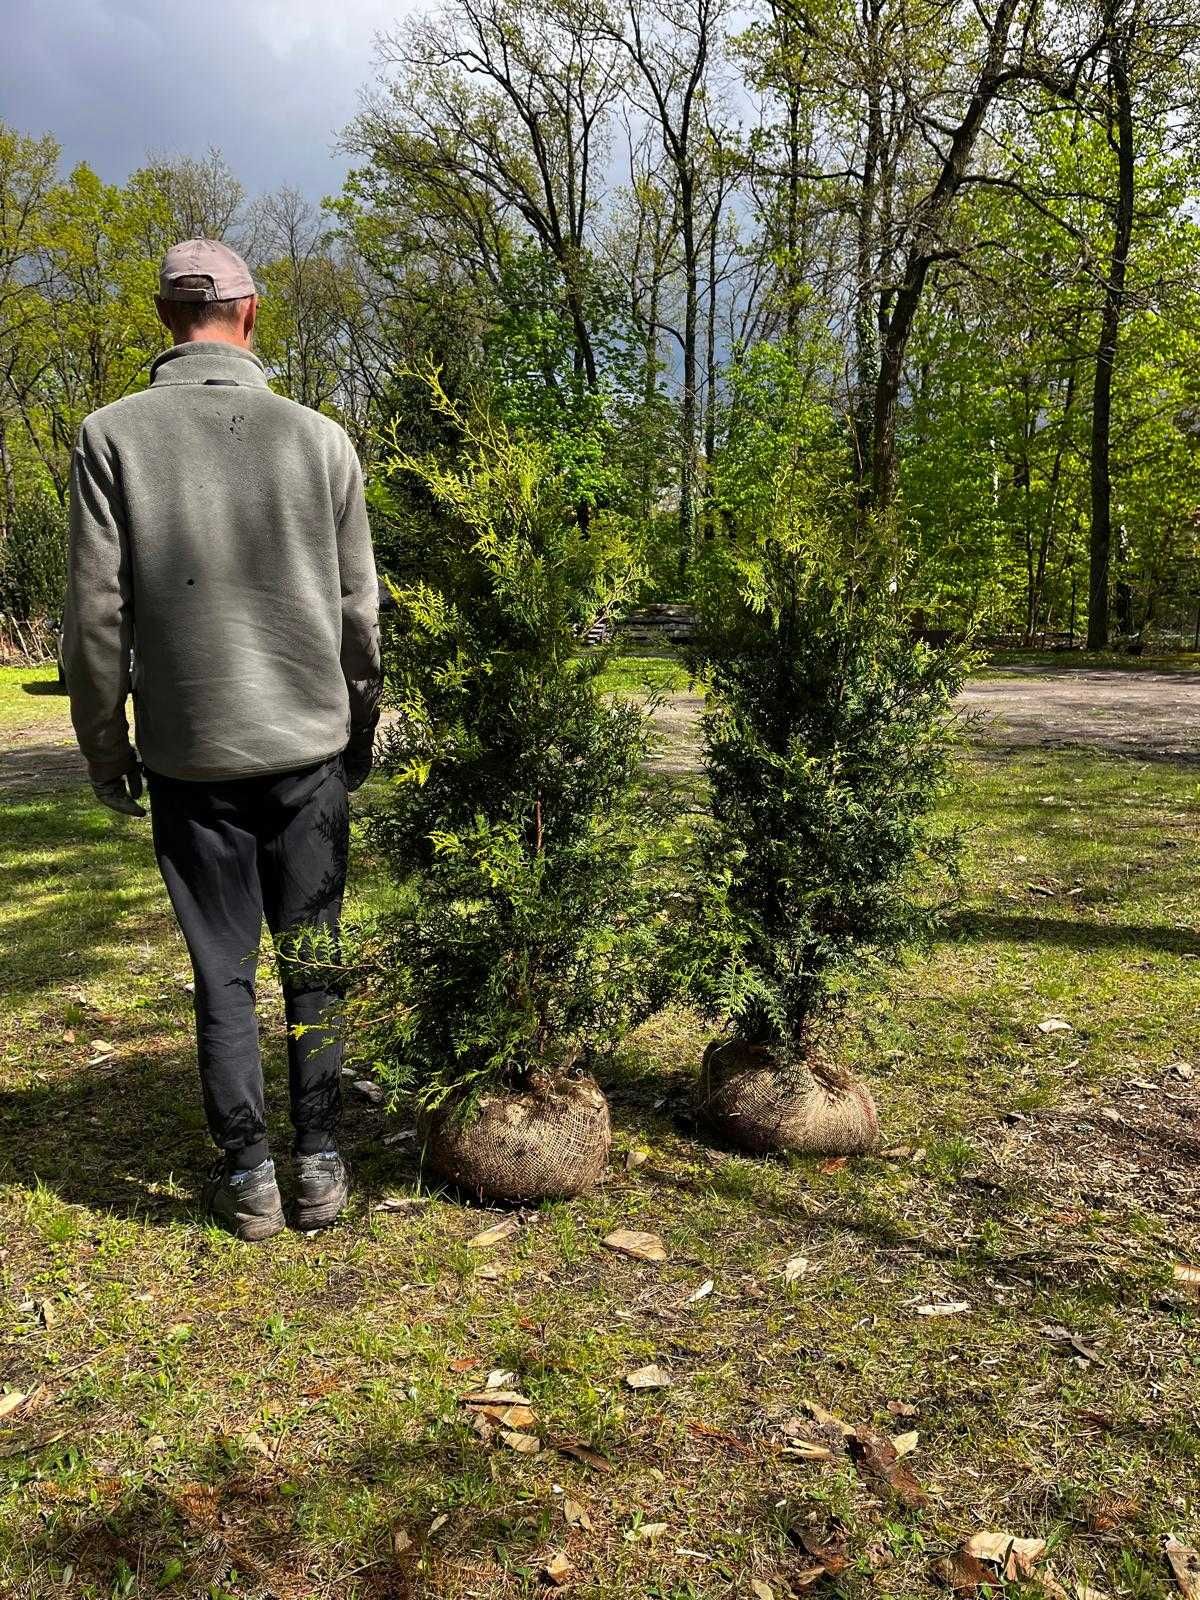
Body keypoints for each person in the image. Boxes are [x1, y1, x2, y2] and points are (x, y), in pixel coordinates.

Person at [61, 238, 382, 1242]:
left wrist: (107, 751)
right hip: (307, 743)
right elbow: (358, 613)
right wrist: (358, 726)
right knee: (315, 954)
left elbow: (93, 621)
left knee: (224, 970)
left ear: (166, 320)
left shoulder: (110, 436)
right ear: (251, 316)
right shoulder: (321, 438)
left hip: (190, 753)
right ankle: (321, 1164)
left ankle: (251, 1180)